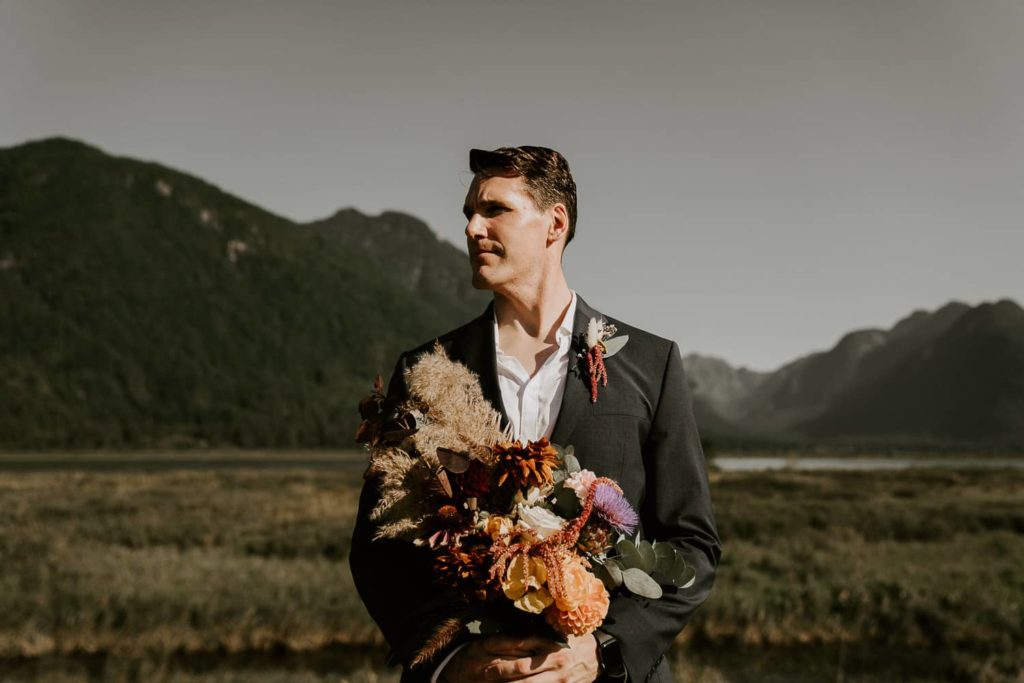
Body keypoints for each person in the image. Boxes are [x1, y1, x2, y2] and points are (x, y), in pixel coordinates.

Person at [350, 146, 720, 682]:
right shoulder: (428, 370)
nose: (474, 228)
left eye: (495, 209)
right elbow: (378, 548)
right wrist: (451, 660)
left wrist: (604, 649)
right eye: (469, 214)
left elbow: (693, 544)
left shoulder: (650, 364)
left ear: (554, 223)